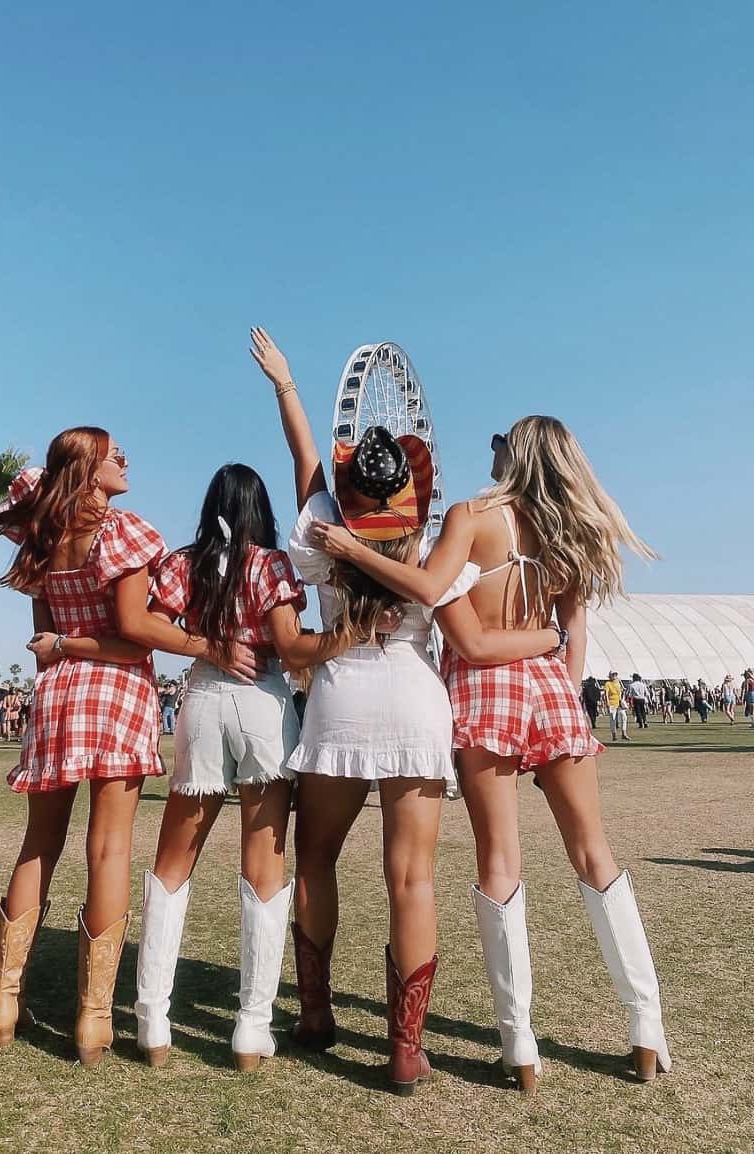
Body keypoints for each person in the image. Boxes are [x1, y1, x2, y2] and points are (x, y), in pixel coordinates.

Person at [311, 415, 672, 1090]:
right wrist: (556, 689)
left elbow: (431, 594)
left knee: (499, 862)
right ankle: (645, 1025)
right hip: (550, 688)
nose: (492, 445)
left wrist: (353, 550)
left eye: (502, 437)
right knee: (596, 855)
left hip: (486, 691)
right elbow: (573, 632)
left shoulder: (474, 516)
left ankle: (520, 1044)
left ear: (519, 451)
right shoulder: (570, 530)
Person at [251, 329, 562, 1095]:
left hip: (341, 698)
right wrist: (554, 634)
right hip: (416, 701)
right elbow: (469, 634)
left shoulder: (325, 522)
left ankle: (316, 1012)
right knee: (412, 879)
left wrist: (287, 385)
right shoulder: (430, 531)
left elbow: (304, 462)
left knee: (317, 856)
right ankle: (405, 1046)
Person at [0, 426, 260, 1067]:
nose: (124, 459)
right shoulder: (120, 532)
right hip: (116, 695)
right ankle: (94, 1019)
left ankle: (3, 1001)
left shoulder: (45, 535)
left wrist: (66, 646)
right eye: (112, 455)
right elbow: (134, 633)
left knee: (37, 845)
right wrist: (210, 646)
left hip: (55, 698)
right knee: (109, 848)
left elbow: (45, 639)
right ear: (89, 469)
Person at [129, 463, 349, 1073]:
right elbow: (284, 640)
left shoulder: (184, 561)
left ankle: (152, 1017)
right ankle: (252, 1026)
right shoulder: (271, 565)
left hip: (202, 697)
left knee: (174, 858)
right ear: (260, 509)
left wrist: (207, 644)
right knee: (263, 863)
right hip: (264, 701)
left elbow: (147, 621)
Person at [604, 672, 630, 741]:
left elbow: (621, 690)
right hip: (612, 703)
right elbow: (606, 694)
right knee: (613, 719)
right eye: (613, 675)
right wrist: (607, 702)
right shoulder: (608, 684)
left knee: (624, 717)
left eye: (615, 675)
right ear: (610, 676)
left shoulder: (618, 682)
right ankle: (614, 735)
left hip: (619, 702)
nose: (615, 676)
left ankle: (624, 733)